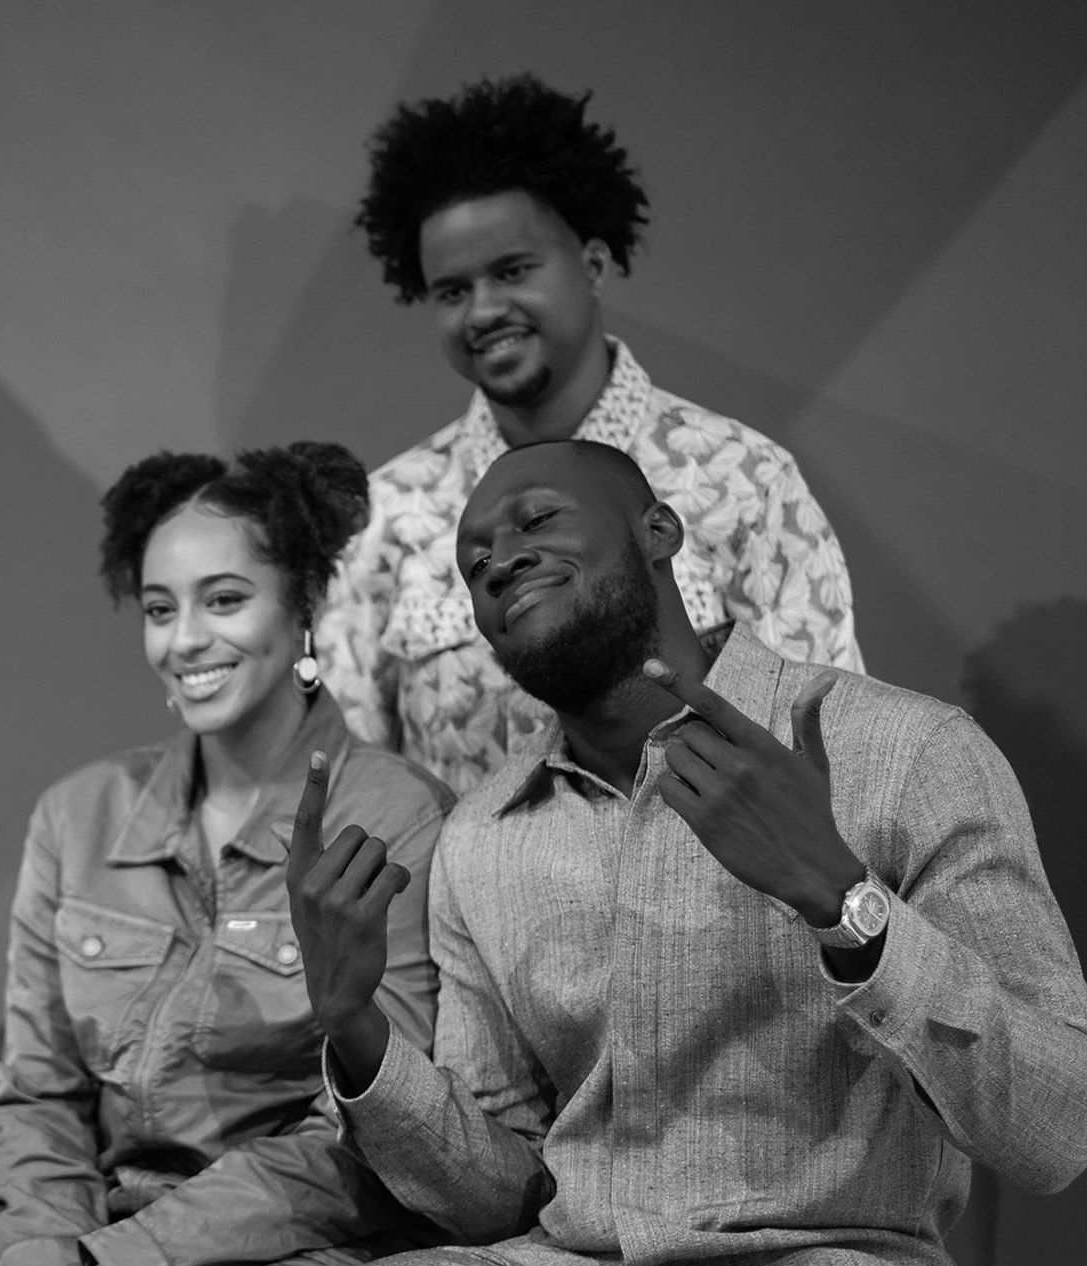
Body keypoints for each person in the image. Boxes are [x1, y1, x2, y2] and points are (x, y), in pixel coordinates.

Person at [154, 440, 1087, 1266]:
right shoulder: (483, 838)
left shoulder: (901, 752)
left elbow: (1058, 1125)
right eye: (473, 557)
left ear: (658, 530)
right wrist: (353, 1027)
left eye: (535, 522)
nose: (497, 560)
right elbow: (495, 1195)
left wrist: (840, 900)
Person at [0, 443, 455, 1266]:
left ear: (301, 606)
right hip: (91, 1228)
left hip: (295, 1249)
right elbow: (32, 1092)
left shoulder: (393, 817)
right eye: (160, 607)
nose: (184, 639)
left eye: (223, 600)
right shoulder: (79, 815)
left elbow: (363, 1137)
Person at [318, 74, 863, 794]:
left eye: (512, 271)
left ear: (595, 264)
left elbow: (830, 740)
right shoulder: (388, 515)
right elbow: (358, 779)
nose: (483, 310)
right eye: (452, 291)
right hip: (466, 902)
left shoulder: (742, 477)